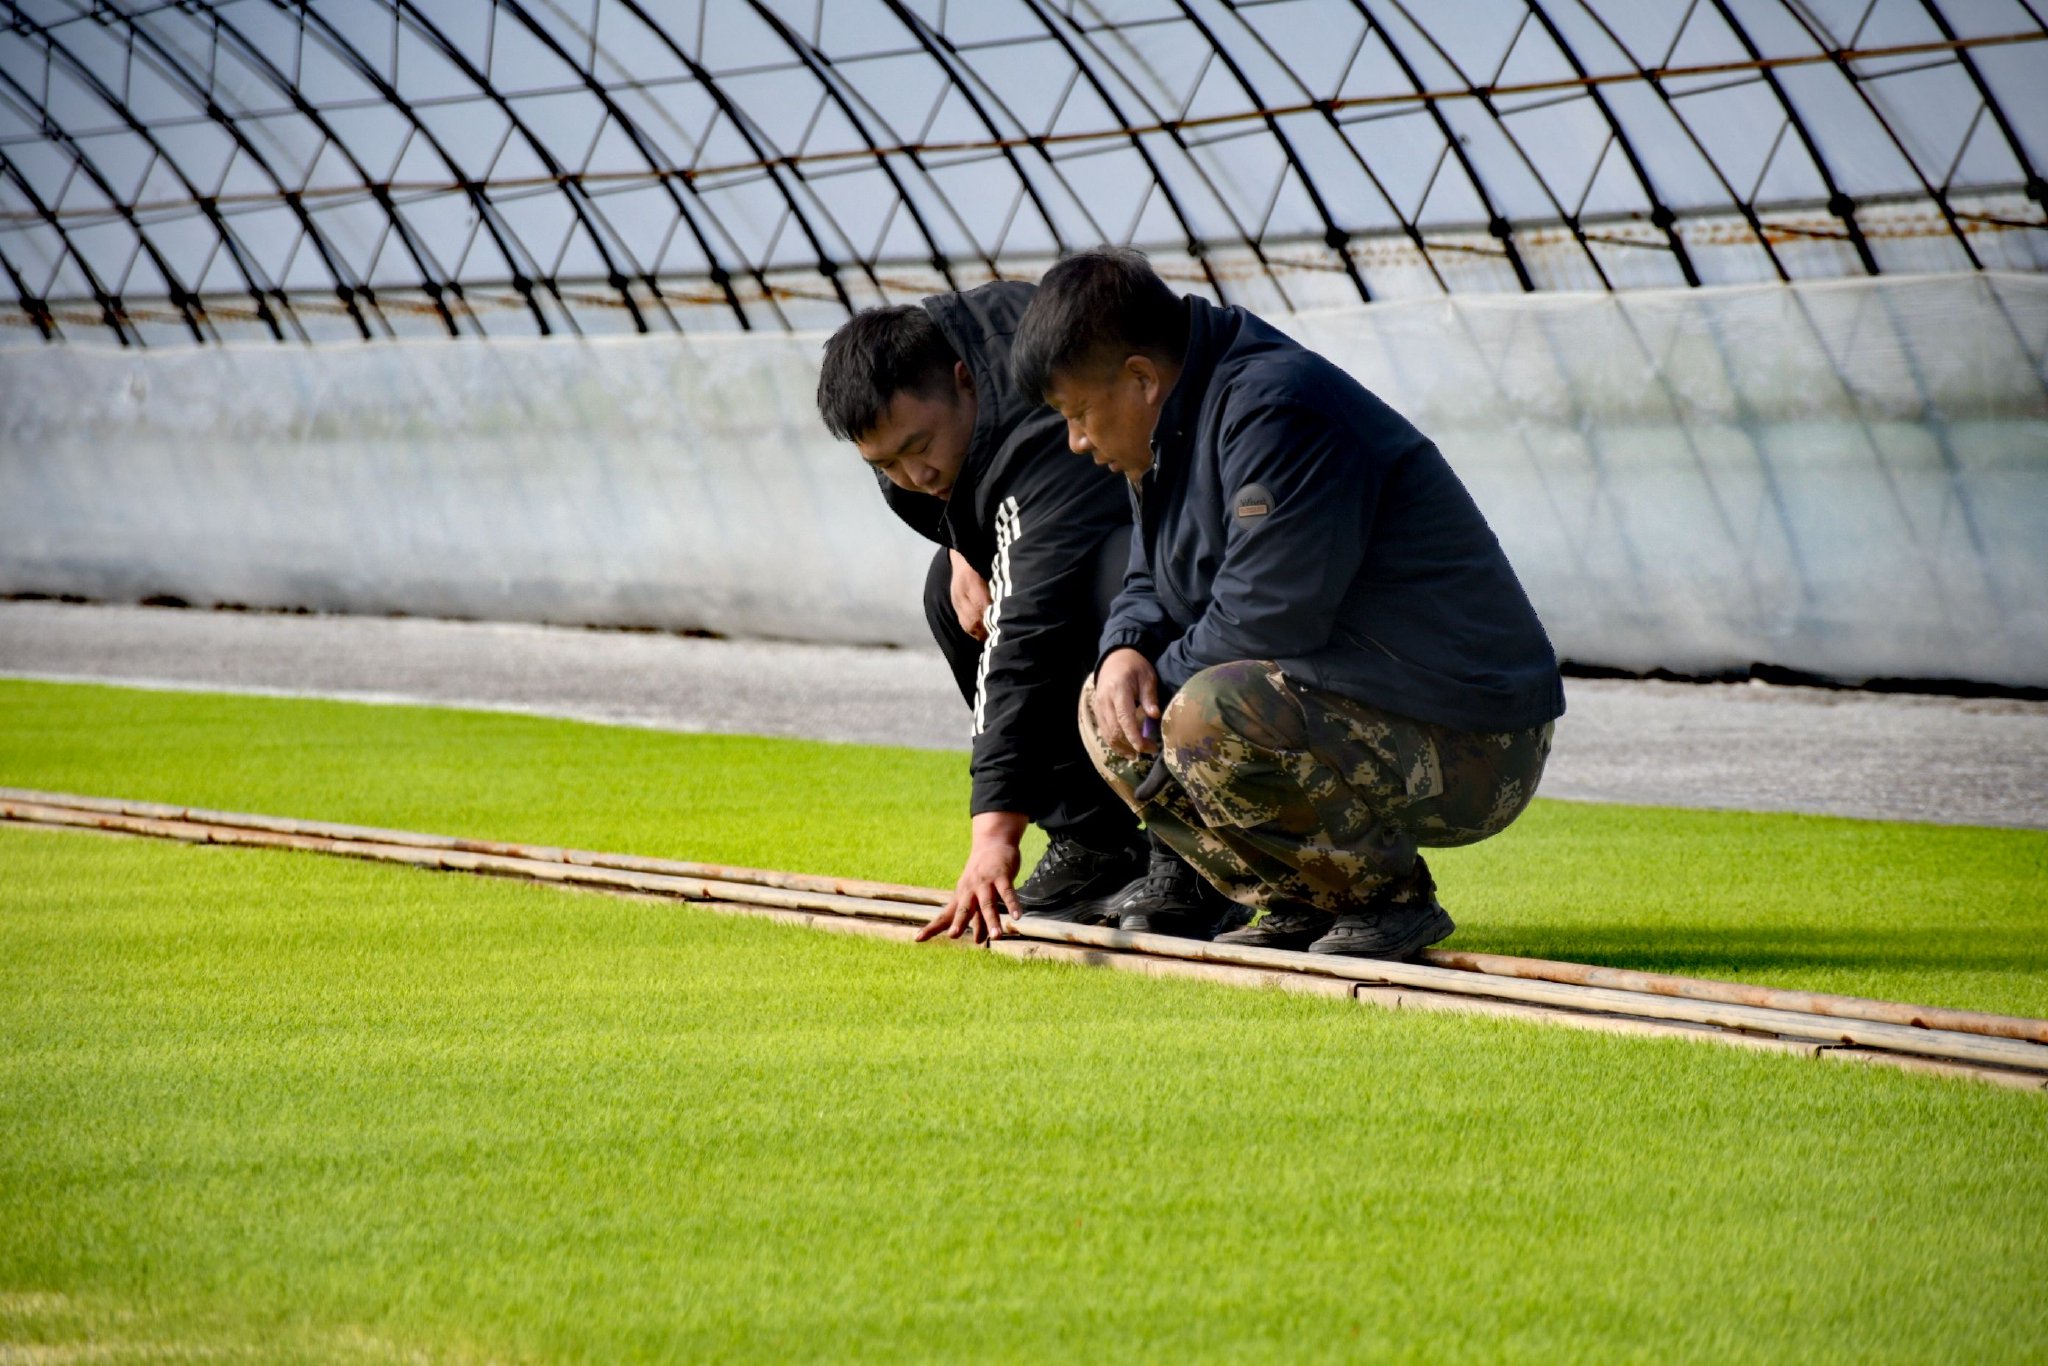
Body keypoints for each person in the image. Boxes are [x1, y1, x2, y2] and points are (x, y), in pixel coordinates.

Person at [1009, 248, 1566, 959]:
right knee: (1107, 701)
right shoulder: (1167, 429)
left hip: (1476, 736)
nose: (1077, 441)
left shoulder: (1278, 406)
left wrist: (1158, 689)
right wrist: (1124, 650)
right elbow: (1150, 576)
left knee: (1208, 711)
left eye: (1079, 414)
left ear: (1141, 378)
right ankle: (1306, 896)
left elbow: (1267, 615)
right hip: (1361, 698)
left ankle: (1384, 902)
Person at [816, 282, 1147, 945]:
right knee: (951, 587)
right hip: (1059, 519)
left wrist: (994, 832)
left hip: (1180, 545)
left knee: (1108, 594)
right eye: (886, 465)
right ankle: (1093, 843)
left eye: (921, 445)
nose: (915, 474)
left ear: (964, 383)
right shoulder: (933, 430)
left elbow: (1025, 634)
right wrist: (965, 540)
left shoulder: (1038, 412)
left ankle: (1195, 857)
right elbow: (958, 500)